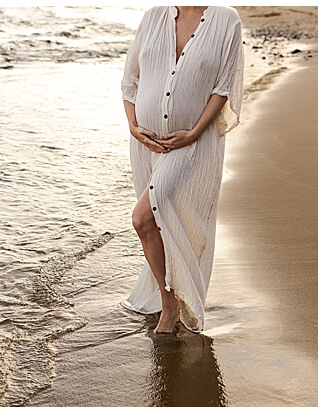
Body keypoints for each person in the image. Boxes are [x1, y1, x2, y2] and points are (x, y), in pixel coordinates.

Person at [119, 6, 243, 333]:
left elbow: (224, 86)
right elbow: (130, 80)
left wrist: (195, 132)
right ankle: (168, 297)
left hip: (192, 143)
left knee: (143, 217)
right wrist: (133, 126)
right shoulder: (153, 16)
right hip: (147, 144)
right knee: (157, 223)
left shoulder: (226, 20)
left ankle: (170, 307)